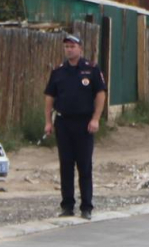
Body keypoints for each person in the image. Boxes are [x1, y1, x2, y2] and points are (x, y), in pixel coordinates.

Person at [43, 33, 107, 218]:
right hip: (63, 122)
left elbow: (100, 94)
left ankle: (86, 207)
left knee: (84, 165)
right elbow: (49, 97)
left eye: (72, 46)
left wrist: (95, 118)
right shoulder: (58, 71)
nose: (69, 50)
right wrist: (48, 122)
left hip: (84, 123)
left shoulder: (91, 69)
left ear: (80, 48)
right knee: (66, 165)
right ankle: (67, 206)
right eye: (66, 47)